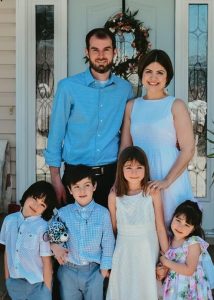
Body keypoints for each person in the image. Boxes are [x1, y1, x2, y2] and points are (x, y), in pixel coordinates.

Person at [45, 27, 134, 207]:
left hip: (111, 176)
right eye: (95, 50)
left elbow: (130, 132)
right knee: (72, 234)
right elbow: (56, 133)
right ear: (87, 52)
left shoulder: (125, 89)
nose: (101, 55)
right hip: (74, 177)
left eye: (106, 49)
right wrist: (55, 178)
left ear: (114, 52)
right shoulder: (68, 87)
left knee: (109, 233)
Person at [120, 49, 195, 226]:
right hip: (138, 174)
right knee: (145, 227)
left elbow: (188, 149)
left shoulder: (175, 105)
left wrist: (167, 181)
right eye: (148, 71)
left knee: (173, 225)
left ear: (167, 77)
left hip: (169, 173)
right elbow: (125, 147)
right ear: (141, 74)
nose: (153, 77)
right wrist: (121, 180)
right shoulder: (132, 106)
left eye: (160, 72)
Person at [106, 146, 168, 300]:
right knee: (125, 286)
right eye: (129, 167)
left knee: (145, 286)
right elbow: (112, 229)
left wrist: (167, 257)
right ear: (121, 169)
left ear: (146, 169)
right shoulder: (115, 195)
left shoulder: (152, 191)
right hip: (124, 249)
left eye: (139, 167)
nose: (134, 172)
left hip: (147, 247)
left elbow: (160, 226)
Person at [50, 164, 115, 300]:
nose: (82, 190)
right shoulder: (63, 214)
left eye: (86, 185)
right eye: (76, 186)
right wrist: (55, 246)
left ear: (94, 186)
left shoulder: (103, 213)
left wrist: (104, 270)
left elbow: (108, 242)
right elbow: (52, 234)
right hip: (68, 270)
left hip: (94, 271)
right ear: (70, 190)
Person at [0, 181, 57, 300]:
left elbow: (46, 261)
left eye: (42, 205)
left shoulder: (43, 227)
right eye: (35, 198)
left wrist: (47, 290)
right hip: (14, 284)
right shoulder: (9, 220)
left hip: (38, 286)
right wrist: (7, 279)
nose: (36, 205)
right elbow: (7, 251)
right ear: (27, 195)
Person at [157, 200, 213, 300]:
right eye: (178, 220)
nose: (180, 227)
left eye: (187, 225)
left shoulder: (193, 243)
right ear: (173, 217)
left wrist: (165, 261)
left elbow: (189, 270)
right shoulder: (169, 240)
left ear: (193, 228)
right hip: (174, 287)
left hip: (191, 289)